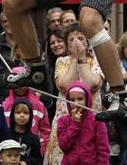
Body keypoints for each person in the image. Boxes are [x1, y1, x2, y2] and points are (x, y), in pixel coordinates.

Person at [44, 22, 104, 164]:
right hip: (65, 121)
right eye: (71, 40)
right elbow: (65, 86)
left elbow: (93, 84)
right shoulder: (62, 61)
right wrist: (74, 60)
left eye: (81, 39)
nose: (76, 42)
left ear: (87, 41)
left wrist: (82, 60)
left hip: (91, 121)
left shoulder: (96, 61)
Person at [57, 81, 109, 165]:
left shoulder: (97, 121)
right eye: (72, 100)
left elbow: (103, 151)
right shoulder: (63, 121)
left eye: (80, 99)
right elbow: (64, 146)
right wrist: (74, 124)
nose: (76, 103)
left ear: (87, 99)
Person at [1, 69, 50, 155]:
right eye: (17, 83)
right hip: (9, 155)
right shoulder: (5, 106)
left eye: (23, 83)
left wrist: (40, 150)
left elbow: (45, 131)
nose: (20, 87)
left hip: (33, 154)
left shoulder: (38, 105)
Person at [6, 99, 42, 164]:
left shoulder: (34, 139)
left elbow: (38, 159)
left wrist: (27, 162)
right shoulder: (5, 135)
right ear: (13, 116)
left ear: (30, 116)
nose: (22, 115)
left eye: (26, 113)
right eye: (18, 112)